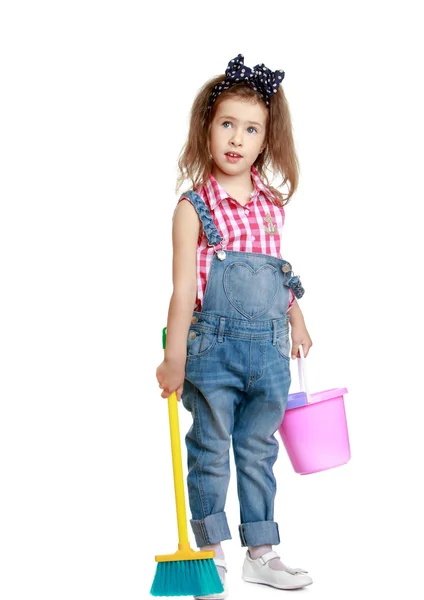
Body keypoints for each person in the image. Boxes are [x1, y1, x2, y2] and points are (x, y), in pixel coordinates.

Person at [156, 54, 313, 599]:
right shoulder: (193, 208)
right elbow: (182, 290)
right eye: (227, 124)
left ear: (266, 140)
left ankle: (261, 552)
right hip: (212, 351)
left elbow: (278, 271)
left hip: (269, 351)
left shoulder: (270, 204)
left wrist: (297, 318)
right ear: (207, 127)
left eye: (251, 128)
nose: (237, 139)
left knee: (257, 449)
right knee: (211, 445)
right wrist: (174, 356)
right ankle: (210, 551)